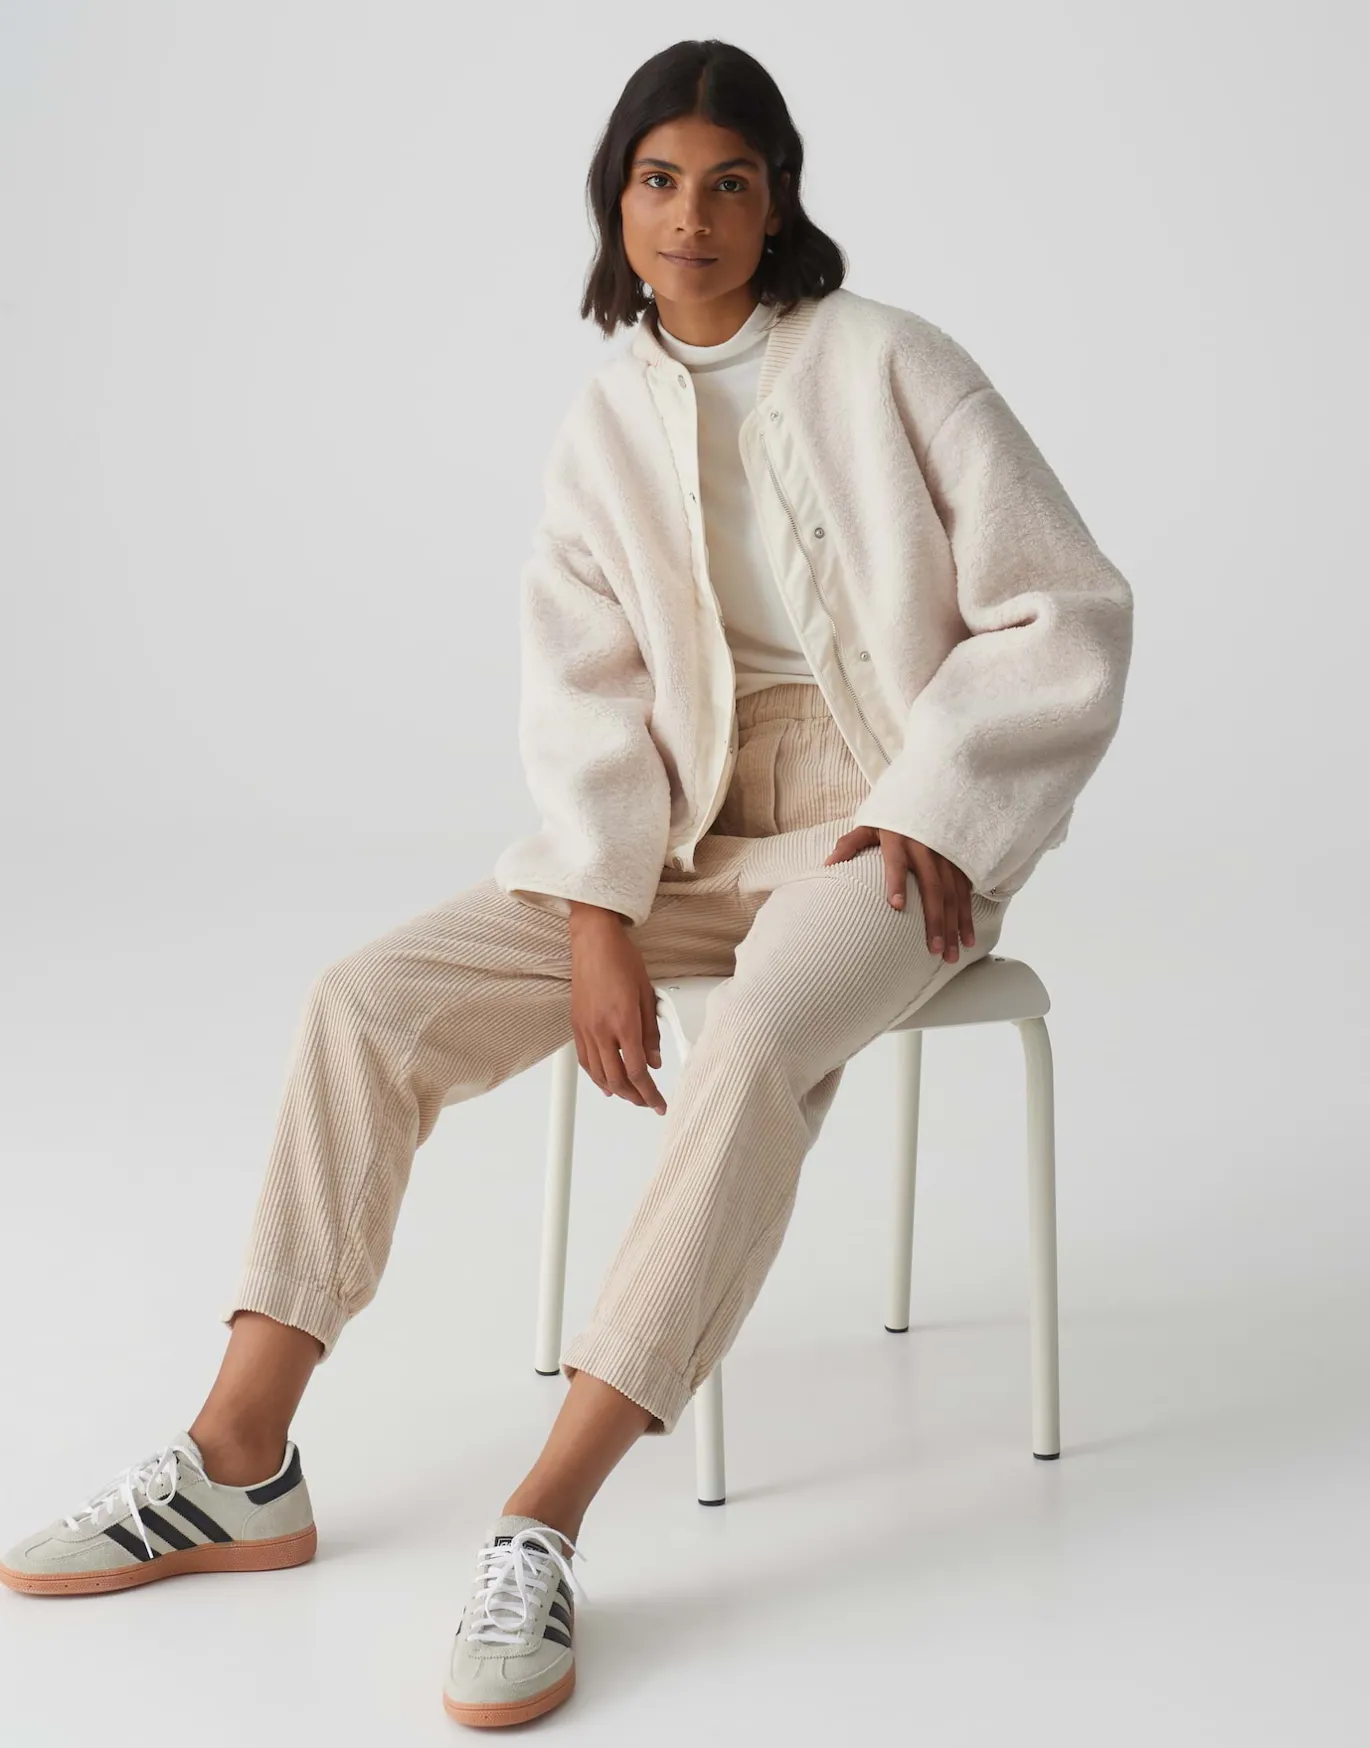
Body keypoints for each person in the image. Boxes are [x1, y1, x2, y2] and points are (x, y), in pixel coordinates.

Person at [0, 36, 1134, 1731]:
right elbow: (583, 689)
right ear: (617, 200)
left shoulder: (894, 359)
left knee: (756, 1041)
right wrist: (601, 915)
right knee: (367, 1003)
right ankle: (240, 1460)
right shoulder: (606, 413)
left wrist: (943, 807)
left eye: (728, 183)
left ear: (777, 202)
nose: (691, 217)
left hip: (880, 819)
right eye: (658, 181)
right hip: (674, 829)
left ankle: (542, 1518)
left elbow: (1065, 606)